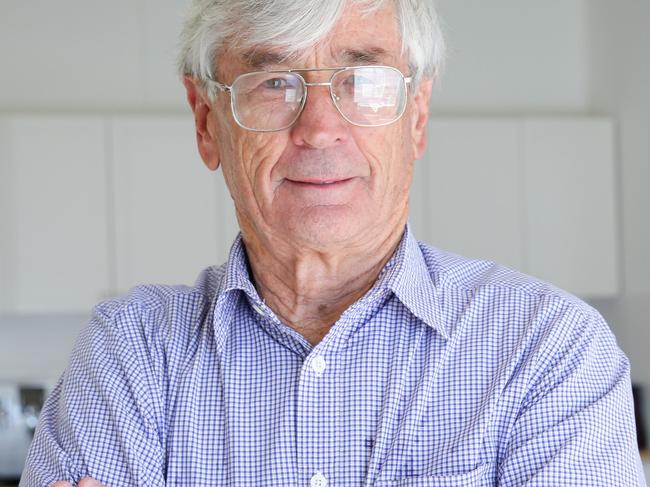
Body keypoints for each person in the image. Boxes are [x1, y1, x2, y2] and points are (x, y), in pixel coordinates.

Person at [21, 0, 645, 485]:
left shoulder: (549, 353)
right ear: (206, 121)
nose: (320, 129)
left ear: (417, 114)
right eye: (273, 83)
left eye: (361, 80)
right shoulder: (128, 357)